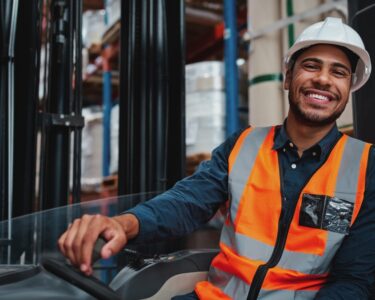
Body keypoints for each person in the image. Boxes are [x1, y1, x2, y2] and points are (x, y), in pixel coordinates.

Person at [59, 17, 375, 299]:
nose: (323, 79)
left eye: (339, 72)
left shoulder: (365, 168)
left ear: (349, 88)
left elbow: (354, 281)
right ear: (288, 77)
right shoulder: (244, 145)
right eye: (311, 66)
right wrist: (123, 223)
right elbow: (186, 202)